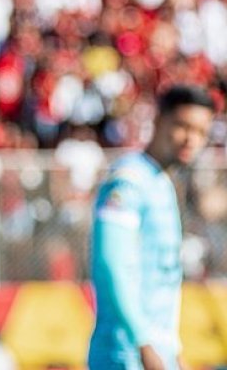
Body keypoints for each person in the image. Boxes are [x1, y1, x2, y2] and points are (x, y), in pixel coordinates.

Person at [88, 85, 216, 370]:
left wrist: (173, 349)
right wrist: (144, 344)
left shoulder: (163, 183)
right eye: (183, 126)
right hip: (126, 355)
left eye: (201, 132)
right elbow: (112, 265)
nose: (191, 140)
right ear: (159, 121)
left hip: (157, 353)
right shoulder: (129, 181)